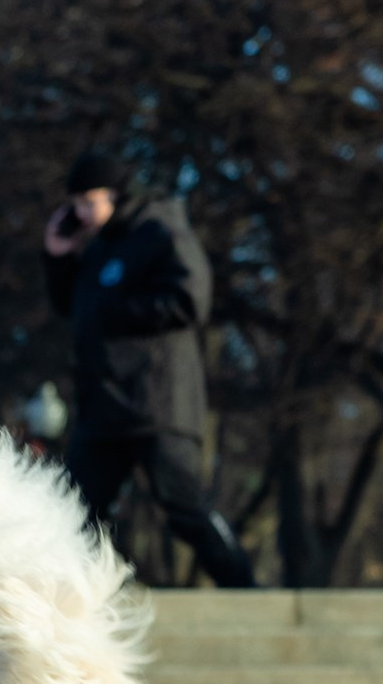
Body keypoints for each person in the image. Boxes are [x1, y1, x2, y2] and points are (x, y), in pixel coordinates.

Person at [43, 147, 255, 587]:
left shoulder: (161, 230)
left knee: (184, 507)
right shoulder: (99, 248)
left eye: (89, 201)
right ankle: (97, 598)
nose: (80, 212)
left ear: (117, 195)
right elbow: (73, 307)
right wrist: (59, 255)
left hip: (156, 404)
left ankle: (246, 588)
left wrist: (115, 309)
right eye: (75, 203)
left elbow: (189, 299)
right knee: (71, 511)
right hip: (104, 408)